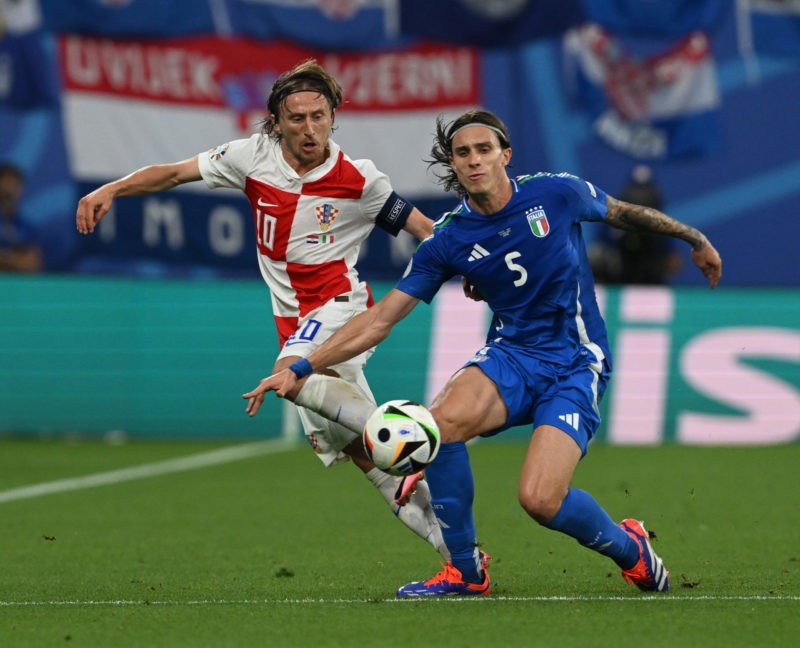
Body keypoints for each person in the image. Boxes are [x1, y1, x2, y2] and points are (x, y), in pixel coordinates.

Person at [243, 109, 723, 597]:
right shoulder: (449, 239)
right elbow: (382, 317)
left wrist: (695, 238)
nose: (474, 160)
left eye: (484, 150)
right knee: (439, 424)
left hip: (575, 362)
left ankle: (631, 549)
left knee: (539, 500)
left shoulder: (556, 192)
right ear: (453, 165)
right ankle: (466, 571)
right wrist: (302, 365)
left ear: (505, 155)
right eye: (462, 153)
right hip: (512, 356)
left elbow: (623, 213)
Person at [75, 59, 448, 561]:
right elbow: (173, 173)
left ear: (334, 116)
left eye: (319, 116)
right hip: (293, 321)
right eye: (297, 118)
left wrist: (466, 271)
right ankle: (460, 557)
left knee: (288, 377)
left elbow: (425, 229)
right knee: (369, 461)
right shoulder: (252, 156)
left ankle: (405, 433)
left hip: (341, 305)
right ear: (275, 121)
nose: (310, 128)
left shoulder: (359, 180)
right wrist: (112, 188)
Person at [588, 164, 683, 284]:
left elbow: (674, 261)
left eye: (645, 193)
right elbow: (597, 251)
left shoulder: (661, 222)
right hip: (617, 278)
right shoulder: (612, 216)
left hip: (650, 280)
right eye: (635, 192)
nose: (640, 200)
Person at [0, 163, 43, 273]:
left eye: (15, 185)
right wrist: (16, 259)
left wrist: (5, 258)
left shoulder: (26, 226)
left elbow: (32, 264)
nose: (10, 191)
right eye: (6, 183)